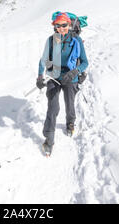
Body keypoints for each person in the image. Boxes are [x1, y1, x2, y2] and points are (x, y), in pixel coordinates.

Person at [36, 12, 89, 155]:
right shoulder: (51, 40)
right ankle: (49, 138)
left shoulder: (76, 40)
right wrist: (40, 76)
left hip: (70, 77)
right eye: (58, 25)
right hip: (54, 76)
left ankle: (70, 122)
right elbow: (43, 60)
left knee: (69, 103)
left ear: (69, 25)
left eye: (64, 25)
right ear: (54, 26)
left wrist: (74, 72)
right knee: (52, 107)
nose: (61, 28)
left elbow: (85, 62)